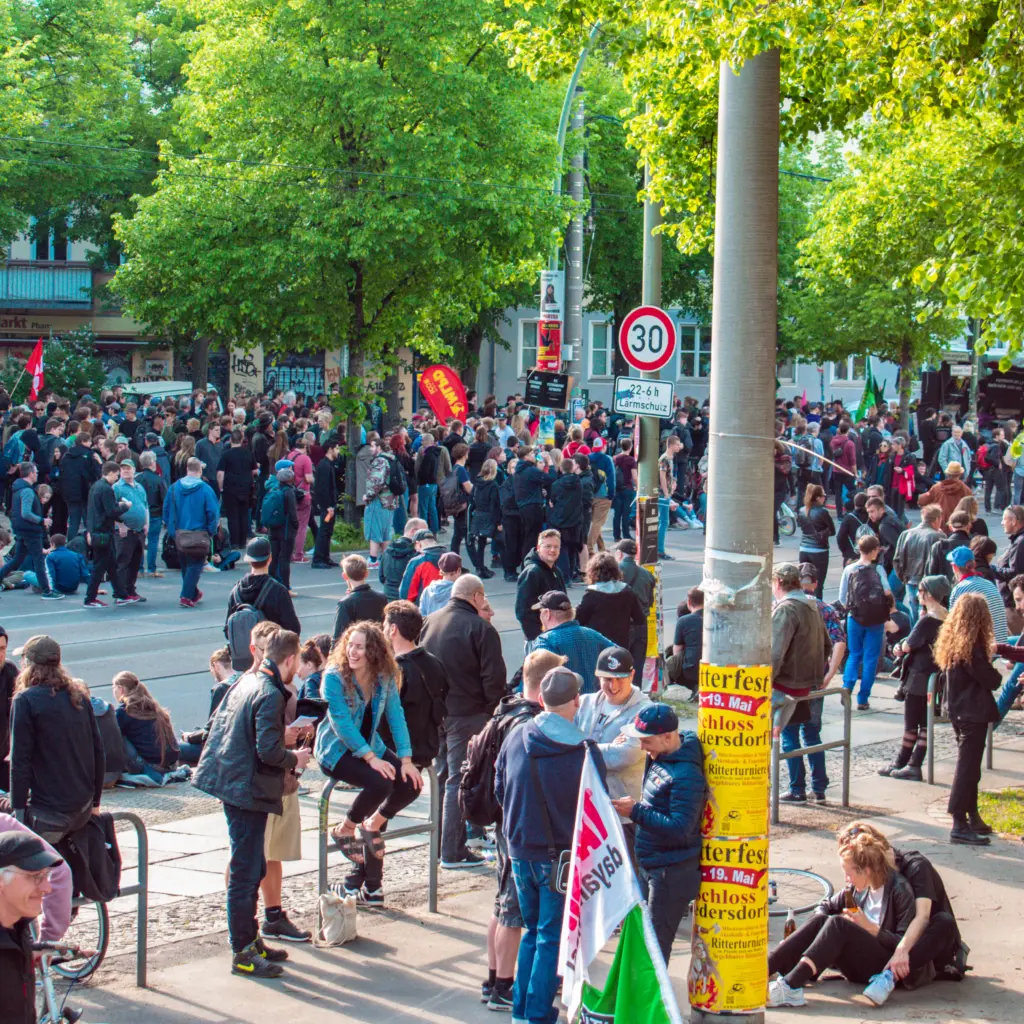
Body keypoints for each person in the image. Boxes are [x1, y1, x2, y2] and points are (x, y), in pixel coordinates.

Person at [193, 628, 310, 977]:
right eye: (297, 662)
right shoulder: (270, 692)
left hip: (236, 783)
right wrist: (295, 759)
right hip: (246, 789)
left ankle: (252, 939)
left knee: (254, 866)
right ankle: (242, 951)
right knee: (246, 872)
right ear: (289, 659)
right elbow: (268, 751)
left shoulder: (250, 680)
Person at [494, 666, 606, 1024]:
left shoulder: (515, 736)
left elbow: (500, 788)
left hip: (519, 850)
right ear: (577, 701)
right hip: (559, 856)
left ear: (541, 699)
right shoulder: (584, 749)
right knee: (550, 937)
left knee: (532, 931)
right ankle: (538, 1014)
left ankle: (522, 1011)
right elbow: (596, 808)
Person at [316, 622, 423, 906]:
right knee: (381, 782)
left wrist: (407, 760)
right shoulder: (334, 677)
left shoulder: (383, 677)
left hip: (371, 747)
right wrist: (371, 758)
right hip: (336, 751)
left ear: (373, 651)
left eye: (360, 647)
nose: (353, 651)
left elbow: (396, 716)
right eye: (350, 645)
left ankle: (372, 825)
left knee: (411, 782)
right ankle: (346, 828)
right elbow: (340, 723)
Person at [475, 649, 556, 1011]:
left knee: (501, 903)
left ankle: (493, 977)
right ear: (546, 688)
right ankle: (504, 986)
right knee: (512, 910)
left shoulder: (505, 710)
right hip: (517, 824)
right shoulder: (528, 723)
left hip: (502, 819)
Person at [767, 826, 915, 1008]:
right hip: (854, 958)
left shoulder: (900, 890)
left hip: (881, 966)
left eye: (849, 873)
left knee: (838, 923)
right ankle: (764, 969)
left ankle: (790, 986)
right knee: (824, 919)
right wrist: (817, 935)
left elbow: (904, 945)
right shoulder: (855, 888)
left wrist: (869, 927)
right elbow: (825, 906)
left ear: (866, 871)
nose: (846, 879)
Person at [420, 574, 506, 869]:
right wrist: (490, 710)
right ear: (477, 597)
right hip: (467, 713)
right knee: (458, 779)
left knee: (444, 778)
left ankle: (441, 844)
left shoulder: (430, 621)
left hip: (437, 712)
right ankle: (452, 851)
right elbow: (494, 678)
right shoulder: (480, 628)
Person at [611, 703, 704, 964]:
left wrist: (636, 812)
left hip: (670, 873)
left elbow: (680, 829)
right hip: (653, 865)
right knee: (645, 943)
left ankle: (656, 1004)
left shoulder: (686, 775)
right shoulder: (661, 756)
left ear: (668, 736)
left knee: (655, 949)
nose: (642, 748)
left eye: (647, 741)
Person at [834, 822, 967, 995]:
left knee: (944, 921)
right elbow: (836, 901)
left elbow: (922, 917)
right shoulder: (872, 873)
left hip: (929, 945)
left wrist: (901, 951)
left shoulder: (917, 866)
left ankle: (889, 977)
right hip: (895, 938)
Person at [8, 635, 105, 843]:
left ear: (28, 663)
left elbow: (19, 761)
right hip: (82, 809)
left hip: (47, 814)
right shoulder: (78, 696)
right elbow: (98, 751)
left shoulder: (25, 700)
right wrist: (95, 802)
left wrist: (19, 813)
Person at [934, 592, 1002, 846]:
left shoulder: (955, 644)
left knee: (970, 766)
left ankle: (971, 816)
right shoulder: (971, 647)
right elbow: (989, 680)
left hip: (960, 710)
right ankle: (960, 821)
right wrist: (997, 674)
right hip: (972, 711)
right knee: (968, 767)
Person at [577, 647, 650, 856]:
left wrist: (581, 747)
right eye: (607, 679)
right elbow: (563, 742)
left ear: (632, 675)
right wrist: (606, 747)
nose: (613, 686)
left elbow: (624, 754)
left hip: (623, 814)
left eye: (620, 678)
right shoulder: (585, 703)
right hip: (588, 810)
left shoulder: (644, 711)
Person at [771, 562, 832, 800]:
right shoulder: (813, 605)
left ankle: (794, 789)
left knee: (779, 738)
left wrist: (763, 683)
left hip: (786, 684)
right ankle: (816, 788)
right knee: (809, 735)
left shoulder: (786, 609)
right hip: (809, 682)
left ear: (777, 583)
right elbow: (827, 644)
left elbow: (775, 653)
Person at [880, 575, 949, 781]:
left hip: (918, 676)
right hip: (935, 676)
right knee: (925, 723)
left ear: (928, 594)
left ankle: (906, 763)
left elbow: (908, 645)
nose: (918, 594)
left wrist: (899, 647)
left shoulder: (927, 620)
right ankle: (912, 762)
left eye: (920, 591)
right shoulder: (947, 616)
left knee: (911, 723)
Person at [0, 831, 67, 1024]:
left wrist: (37, 950)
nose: (47, 888)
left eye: (46, 875)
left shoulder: (18, 929)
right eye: (35, 876)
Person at [381, 601, 450, 770]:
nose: (382, 630)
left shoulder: (395, 670)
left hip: (396, 753)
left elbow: (384, 716)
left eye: (385, 625)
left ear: (393, 629)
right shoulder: (434, 663)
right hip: (426, 748)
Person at [839, 534, 891, 710]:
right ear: (875, 550)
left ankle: (847, 687)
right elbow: (887, 592)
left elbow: (842, 597)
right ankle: (863, 699)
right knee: (870, 658)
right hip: (875, 620)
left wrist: (853, 609)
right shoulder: (878, 570)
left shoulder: (849, 569)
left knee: (854, 654)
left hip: (855, 617)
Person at [163, 456, 220, 608]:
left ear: (187, 469)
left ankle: (192, 593)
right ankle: (186, 596)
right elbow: (213, 512)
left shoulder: (174, 488)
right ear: (200, 470)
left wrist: (171, 530)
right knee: (195, 565)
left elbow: (166, 510)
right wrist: (211, 530)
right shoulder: (206, 489)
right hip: (199, 533)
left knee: (185, 565)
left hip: (179, 533)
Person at [0, 463, 62, 600]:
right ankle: (47, 591)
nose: (37, 473)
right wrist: (42, 521)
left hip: (22, 529)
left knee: (17, 560)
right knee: (38, 560)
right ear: (31, 473)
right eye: (36, 471)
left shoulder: (19, 489)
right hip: (30, 531)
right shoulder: (27, 491)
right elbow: (26, 513)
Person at [532, 591, 613, 693]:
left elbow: (539, 679)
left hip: (564, 704)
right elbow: (620, 655)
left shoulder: (545, 641)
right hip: (593, 703)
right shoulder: (592, 634)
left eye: (541, 612)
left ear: (547, 613)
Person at [111, 671, 183, 784]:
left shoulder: (124, 710)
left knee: (117, 735)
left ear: (121, 689)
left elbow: (112, 740)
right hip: (172, 765)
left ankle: (149, 775)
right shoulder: (153, 706)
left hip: (150, 766)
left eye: (113, 687)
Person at [574, 552, 645, 650]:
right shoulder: (627, 591)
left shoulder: (591, 594)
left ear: (592, 572)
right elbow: (639, 619)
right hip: (621, 647)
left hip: (597, 647)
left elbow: (579, 620)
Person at [947, 546, 1009, 643]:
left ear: (954, 567)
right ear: (974, 564)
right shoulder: (989, 584)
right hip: (1002, 648)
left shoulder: (960, 589)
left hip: (983, 651)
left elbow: (952, 626)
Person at [893, 505, 944, 623]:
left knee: (915, 615)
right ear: (937, 519)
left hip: (910, 581)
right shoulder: (936, 536)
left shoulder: (905, 534)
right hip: (929, 585)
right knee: (928, 618)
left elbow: (896, 560)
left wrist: (904, 578)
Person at [514, 530, 565, 643]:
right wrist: (539, 637)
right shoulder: (532, 573)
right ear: (538, 547)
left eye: (556, 547)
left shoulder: (557, 571)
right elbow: (522, 611)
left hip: (557, 635)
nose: (552, 550)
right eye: (548, 546)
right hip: (540, 639)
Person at [112, 458, 149, 603]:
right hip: (124, 531)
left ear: (134, 470)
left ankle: (130, 590)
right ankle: (120, 593)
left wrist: (146, 524)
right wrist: (119, 525)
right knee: (122, 563)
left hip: (139, 531)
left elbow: (145, 506)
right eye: (123, 468)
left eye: (128, 468)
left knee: (135, 563)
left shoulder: (139, 487)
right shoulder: (117, 488)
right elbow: (109, 510)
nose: (126, 470)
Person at [332, 554, 388, 639]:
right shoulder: (382, 598)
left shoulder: (345, 603)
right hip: (378, 645)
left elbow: (338, 636)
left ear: (345, 576)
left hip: (357, 647)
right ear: (366, 573)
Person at [218, 429, 256, 551]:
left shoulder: (226, 454)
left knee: (232, 515)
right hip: (245, 487)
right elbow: (254, 471)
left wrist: (221, 487)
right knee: (244, 515)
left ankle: (234, 542)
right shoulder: (248, 453)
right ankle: (242, 541)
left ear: (230, 440)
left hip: (230, 488)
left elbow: (220, 474)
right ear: (241, 439)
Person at [60, 431, 101, 540]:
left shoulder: (66, 455)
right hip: (85, 492)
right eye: (89, 441)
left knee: (74, 521)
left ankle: (70, 545)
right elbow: (98, 473)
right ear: (84, 441)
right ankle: (90, 547)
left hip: (69, 493)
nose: (91, 444)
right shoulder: (90, 455)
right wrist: (100, 463)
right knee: (88, 521)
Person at [264, 467, 299, 592]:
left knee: (274, 557)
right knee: (285, 559)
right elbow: (292, 512)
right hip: (286, 530)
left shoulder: (273, 489)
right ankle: (285, 586)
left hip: (273, 528)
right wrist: (296, 525)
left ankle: (271, 584)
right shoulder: (289, 492)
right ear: (290, 479)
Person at [796, 484, 835, 597]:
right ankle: (818, 609)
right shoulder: (823, 512)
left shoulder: (801, 510)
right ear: (817, 497)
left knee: (804, 582)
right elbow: (832, 531)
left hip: (804, 549)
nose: (825, 498)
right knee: (818, 584)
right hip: (819, 551)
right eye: (823, 495)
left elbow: (801, 526)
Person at [310, 435, 340, 569]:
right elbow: (322, 488)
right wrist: (328, 506)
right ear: (330, 449)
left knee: (327, 531)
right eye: (337, 448)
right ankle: (318, 558)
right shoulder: (324, 466)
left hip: (329, 506)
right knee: (324, 530)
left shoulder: (328, 464)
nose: (338, 451)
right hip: (327, 507)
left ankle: (325, 556)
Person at [137, 451, 169, 578]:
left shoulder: (137, 479)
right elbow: (165, 499)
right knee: (153, 541)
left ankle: (139, 568)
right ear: (152, 463)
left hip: (141, 515)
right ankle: (151, 568)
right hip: (155, 514)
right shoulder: (158, 479)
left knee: (140, 541)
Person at [993, 505, 1024, 634]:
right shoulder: (1017, 540)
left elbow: (1015, 573)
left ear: (1014, 521)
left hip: (1014, 603)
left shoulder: (1020, 542)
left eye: (1004, 519)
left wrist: (992, 569)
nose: (1002, 523)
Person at [468, 458, 500, 578]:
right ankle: (486, 567)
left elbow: (472, 499)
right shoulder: (493, 485)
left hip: (478, 514)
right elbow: (494, 505)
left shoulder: (477, 483)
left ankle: (480, 567)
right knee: (494, 541)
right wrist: (497, 521)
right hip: (488, 515)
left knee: (480, 544)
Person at [672, 586, 705, 697]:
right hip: (715, 669)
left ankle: (695, 688)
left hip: (691, 671)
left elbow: (677, 650)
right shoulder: (716, 617)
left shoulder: (683, 620)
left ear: (689, 602)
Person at [919, 462, 972, 529]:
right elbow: (971, 510)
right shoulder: (966, 490)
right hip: (958, 525)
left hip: (939, 524)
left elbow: (922, 501)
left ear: (947, 474)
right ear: (960, 474)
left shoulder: (936, 488)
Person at [418, 551, 463, 616]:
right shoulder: (459, 592)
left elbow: (422, 614)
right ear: (458, 570)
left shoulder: (427, 590)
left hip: (431, 625)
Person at [612, 437, 637, 542]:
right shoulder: (631, 461)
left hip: (617, 489)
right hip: (628, 489)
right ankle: (626, 535)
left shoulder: (615, 458)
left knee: (617, 514)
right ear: (630, 448)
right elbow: (634, 477)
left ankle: (616, 536)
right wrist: (638, 486)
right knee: (626, 514)